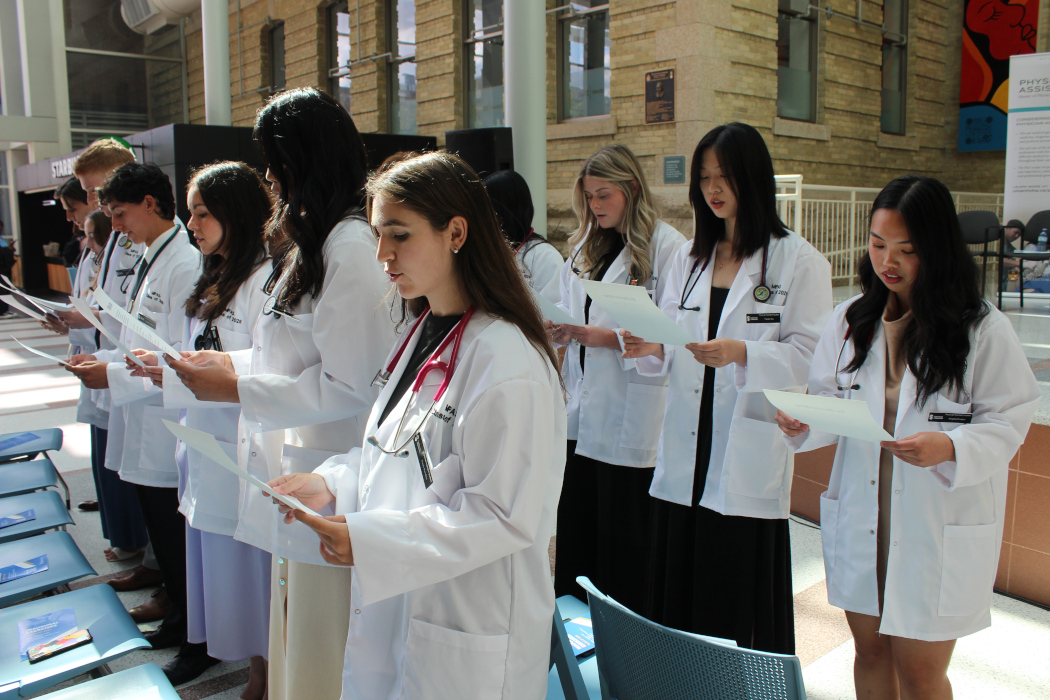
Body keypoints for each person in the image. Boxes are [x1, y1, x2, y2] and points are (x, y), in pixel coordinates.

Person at [265, 150, 566, 700]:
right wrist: (331, 481)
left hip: (468, 626)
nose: (381, 254)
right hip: (407, 608)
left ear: (456, 232)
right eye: (379, 234)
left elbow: (504, 514)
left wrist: (370, 542)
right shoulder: (425, 329)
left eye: (398, 235)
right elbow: (396, 452)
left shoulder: (507, 361)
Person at [163, 87, 395, 700]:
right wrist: (229, 361)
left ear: (302, 161)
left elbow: (351, 382)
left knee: (323, 649)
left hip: (331, 472)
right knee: (296, 637)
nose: (267, 177)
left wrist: (236, 385)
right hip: (294, 469)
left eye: (273, 162)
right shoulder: (310, 244)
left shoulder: (350, 248)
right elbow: (288, 349)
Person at [776, 175, 1040, 699]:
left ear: (936, 249)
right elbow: (832, 400)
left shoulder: (980, 329)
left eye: (906, 249)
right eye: (877, 244)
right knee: (870, 652)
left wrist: (950, 447)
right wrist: (805, 421)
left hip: (933, 519)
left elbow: (1010, 416)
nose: (887, 261)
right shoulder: (851, 319)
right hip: (864, 512)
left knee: (920, 673)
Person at [620, 122, 832, 651]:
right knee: (679, 605)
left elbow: (812, 358)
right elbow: (673, 335)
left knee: (732, 601)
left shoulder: (797, 260)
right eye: (705, 177)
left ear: (754, 179)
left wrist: (745, 353)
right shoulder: (691, 258)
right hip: (685, 461)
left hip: (743, 458)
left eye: (726, 177)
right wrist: (653, 347)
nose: (713, 189)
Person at [132, 162, 274, 691]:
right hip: (205, 440)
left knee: (249, 570)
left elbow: (265, 362)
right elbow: (206, 350)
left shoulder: (266, 279)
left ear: (234, 213)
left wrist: (193, 367)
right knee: (219, 568)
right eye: (190, 212)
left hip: (238, 443)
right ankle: (255, 664)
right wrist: (166, 363)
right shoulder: (215, 273)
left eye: (202, 213)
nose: (192, 224)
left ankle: (266, 670)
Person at [65, 163, 204, 675]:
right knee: (161, 533)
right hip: (141, 410)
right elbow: (134, 334)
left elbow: (174, 355)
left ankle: (198, 639)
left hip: (162, 417)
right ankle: (177, 619)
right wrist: (106, 364)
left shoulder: (184, 264)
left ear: (150, 203)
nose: (117, 227)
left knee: (175, 536)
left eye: (121, 214)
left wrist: (114, 375)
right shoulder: (151, 256)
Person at [548, 144, 685, 612]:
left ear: (631, 189)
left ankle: (627, 652)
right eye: (588, 197)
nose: (595, 206)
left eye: (603, 195)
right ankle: (575, 648)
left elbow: (672, 338)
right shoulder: (586, 247)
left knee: (626, 548)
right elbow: (563, 305)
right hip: (581, 417)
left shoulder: (669, 248)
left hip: (632, 419)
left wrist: (602, 338)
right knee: (580, 540)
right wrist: (557, 328)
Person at [54, 142, 156, 587]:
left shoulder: (149, 242)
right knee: (125, 463)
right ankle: (151, 562)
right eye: (93, 195)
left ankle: (153, 564)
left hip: (139, 371)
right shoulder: (117, 237)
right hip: (116, 359)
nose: (97, 206)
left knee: (148, 478)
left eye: (99, 193)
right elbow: (110, 301)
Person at [482, 169, 563, 297]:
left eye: (486, 209)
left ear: (504, 211)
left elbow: (554, 311)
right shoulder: (488, 252)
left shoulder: (544, 256)